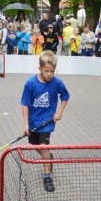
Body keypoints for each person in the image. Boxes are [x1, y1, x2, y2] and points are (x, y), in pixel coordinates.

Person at [20, 50, 70, 192]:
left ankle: (47, 176)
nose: (49, 74)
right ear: (39, 68)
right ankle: (48, 157)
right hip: (33, 123)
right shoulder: (30, 84)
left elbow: (65, 96)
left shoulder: (57, 83)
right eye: (46, 71)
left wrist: (59, 112)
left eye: (52, 71)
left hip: (47, 123)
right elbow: (25, 104)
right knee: (37, 147)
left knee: (43, 146)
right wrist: (26, 124)